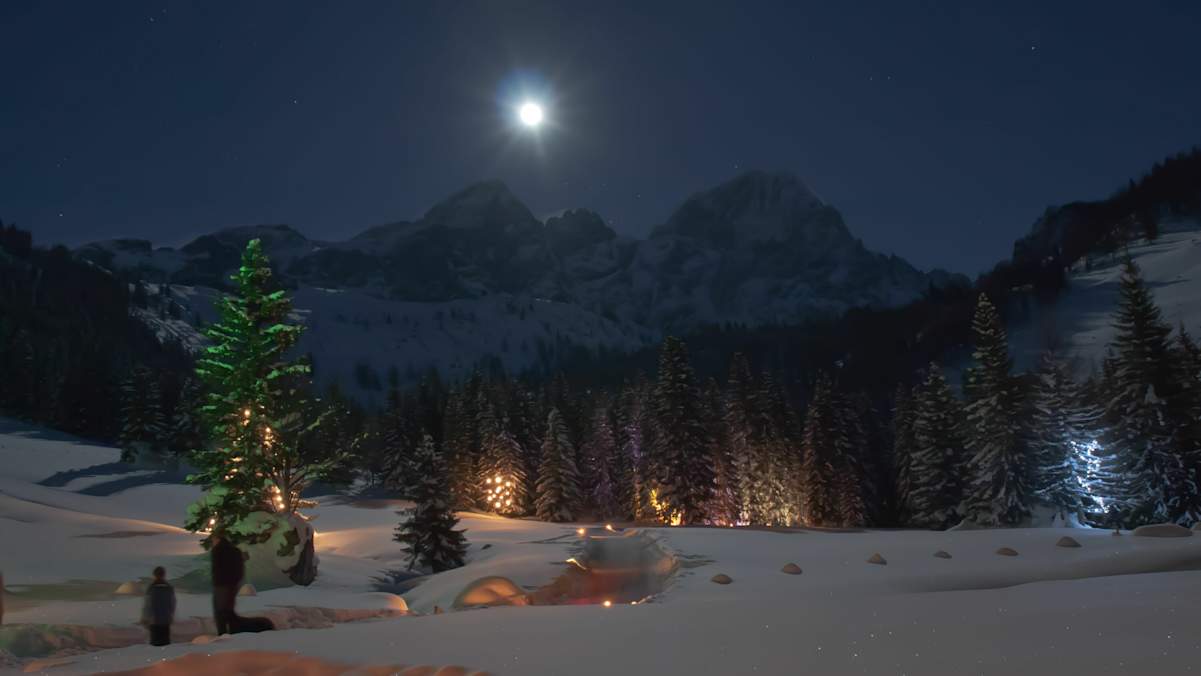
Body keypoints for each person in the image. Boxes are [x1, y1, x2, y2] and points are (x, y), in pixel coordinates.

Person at [210, 533, 245, 635]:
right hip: (232, 585)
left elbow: (216, 569)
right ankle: (234, 631)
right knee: (229, 609)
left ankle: (222, 634)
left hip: (220, 584)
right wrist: (236, 581)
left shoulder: (217, 551)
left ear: (218, 539)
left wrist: (216, 580)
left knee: (220, 611)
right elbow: (240, 569)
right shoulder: (235, 551)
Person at [140, 566, 176, 646]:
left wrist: (145, 618)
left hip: (155, 620)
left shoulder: (151, 588)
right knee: (165, 643)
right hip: (166, 620)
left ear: (154, 575)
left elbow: (148, 605)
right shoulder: (169, 588)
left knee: (156, 644)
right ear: (164, 574)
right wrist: (171, 616)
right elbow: (172, 604)